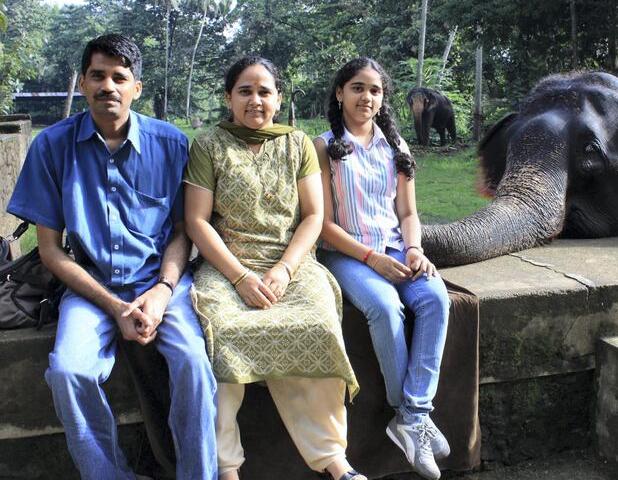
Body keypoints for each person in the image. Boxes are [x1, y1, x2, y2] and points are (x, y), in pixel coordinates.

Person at [6, 33, 217, 479]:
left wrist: (161, 291)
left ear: (136, 88)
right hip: (88, 286)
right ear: (82, 83)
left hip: (162, 282)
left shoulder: (171, 144)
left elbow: (183, 233)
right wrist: (115, 306)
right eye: (98, 76)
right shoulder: (52, 146)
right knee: (67, 372)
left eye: (120, 77)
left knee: (195, 365)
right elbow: (49, 249)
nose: (109, 86)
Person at [183, 56, 364, 480]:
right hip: (227, 265)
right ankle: (226, 467)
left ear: (278, 99)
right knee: (221, 334)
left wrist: (283, 270)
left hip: (293, 264)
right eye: (245, 91)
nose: (255, 100)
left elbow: (313, 217)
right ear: (228, 97)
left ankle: (333, 460)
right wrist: (241, 277)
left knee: (317, 325)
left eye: (264, 91)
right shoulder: (209, 145)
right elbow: (196, 222)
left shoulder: (297, 143)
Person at [314, 57, 451, 480]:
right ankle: (410, 415)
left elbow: (408, 212)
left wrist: (413, 249)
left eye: (374, 90)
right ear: (340, 93)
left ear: (383, 97)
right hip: (347, 254)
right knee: (383, 307)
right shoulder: (322, 147)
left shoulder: (397, 147)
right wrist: (371, 259)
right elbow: (322, 224)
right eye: (357, 88)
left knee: (435, 298)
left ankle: (411, 417)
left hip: (395, 247)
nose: (366, 97)